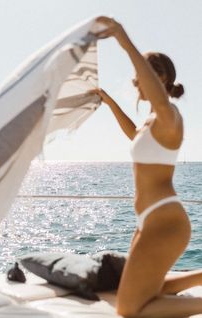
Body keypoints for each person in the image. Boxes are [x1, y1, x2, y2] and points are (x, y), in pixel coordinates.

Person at [91, 16, 202, 318]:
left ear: (161, 78)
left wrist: (122, 38)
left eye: (142, 75)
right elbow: (131, 132)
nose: (136, 80)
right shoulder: (151, 123)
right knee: (150, 290)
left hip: (165, 222)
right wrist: (108, 100)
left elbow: (155, 93)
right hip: (150, 221)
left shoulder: (170, 116)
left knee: (128, 308)